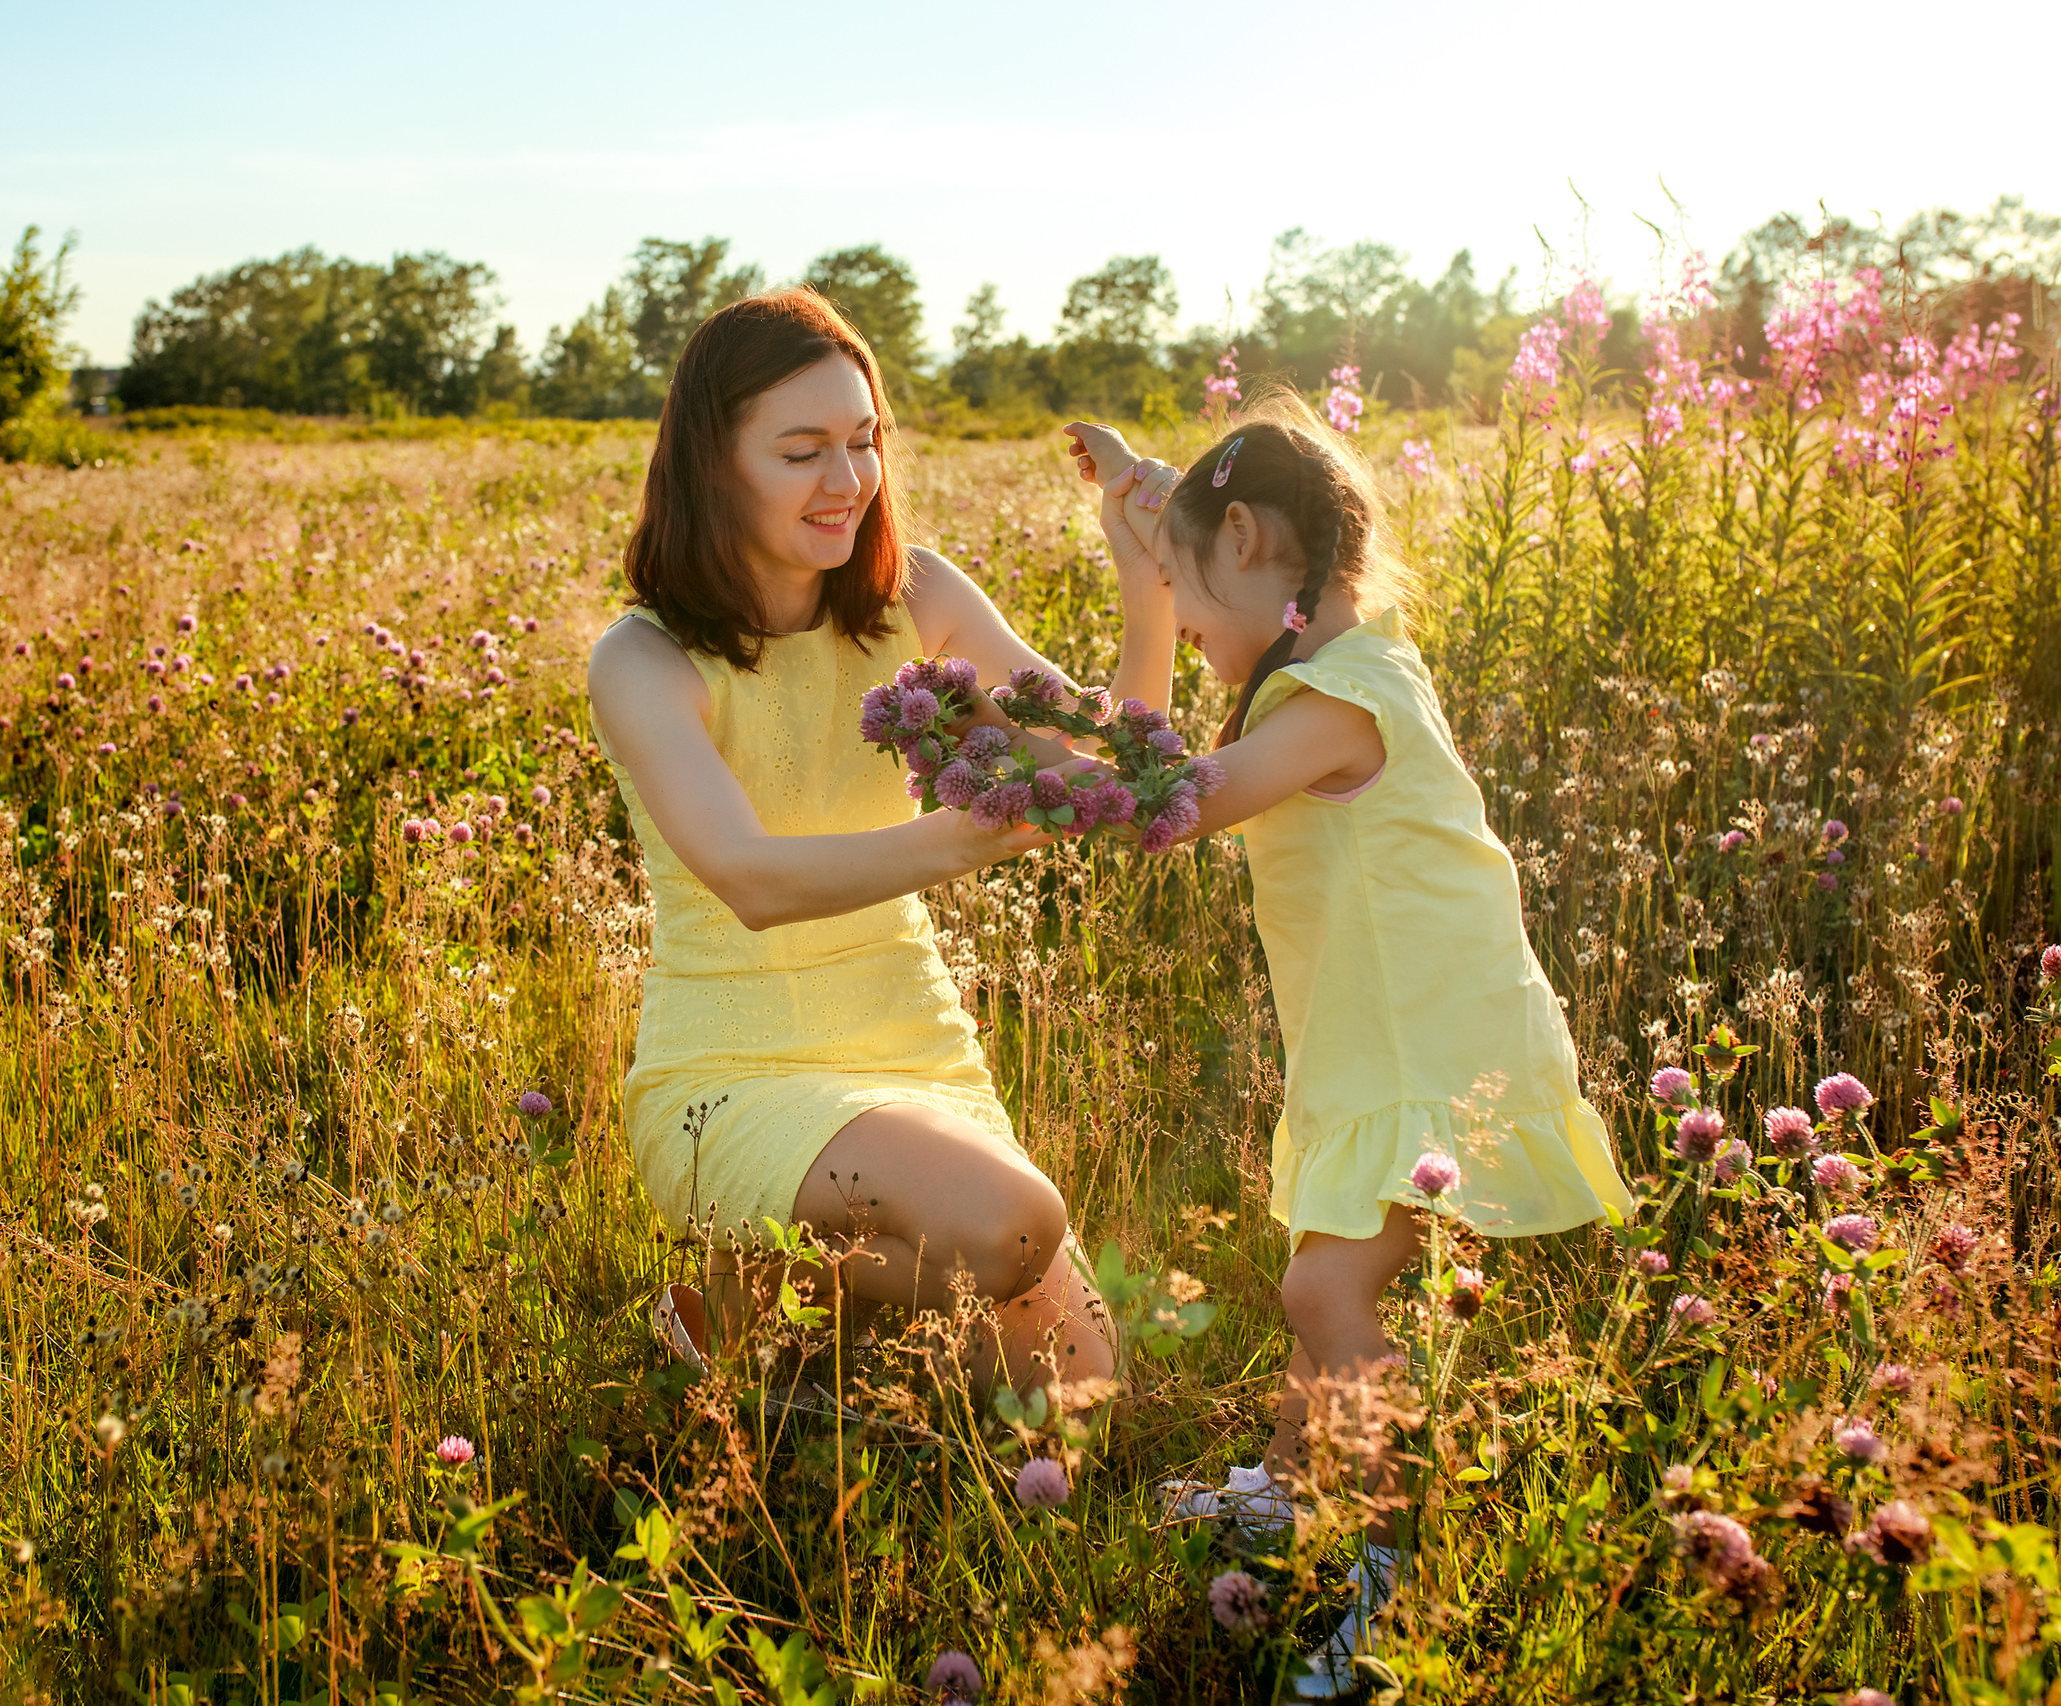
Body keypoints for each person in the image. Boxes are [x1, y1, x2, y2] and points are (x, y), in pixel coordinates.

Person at [1065, 400, 1633, 1698]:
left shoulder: (1332, 704)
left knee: (1327, 1294)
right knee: (1322, 1263)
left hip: (1428, 1056)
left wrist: (1137, 581)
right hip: (1390, 1044)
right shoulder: (1356, 662)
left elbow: (1155, 806)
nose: (1189, 629)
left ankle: (1395, 1578)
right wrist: (1149, 500)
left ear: (1248, 541)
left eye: (1188, 603)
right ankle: (1281, 1488)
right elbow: (1215, 532)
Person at [588, 288, 1146, 1401]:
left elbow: (1109, 764)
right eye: (802, 452)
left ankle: (777, 1307)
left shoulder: (916, 595)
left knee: (1078, 1405)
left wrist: (1144, 568)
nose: (847, 480)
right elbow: (750, 879)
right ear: (712, 465)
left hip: (907, 1043)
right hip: (732, 1074)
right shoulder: (643, 660)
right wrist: (963, 839)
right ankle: (755, 1304)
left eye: (864, 440)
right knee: (1010, 1225)